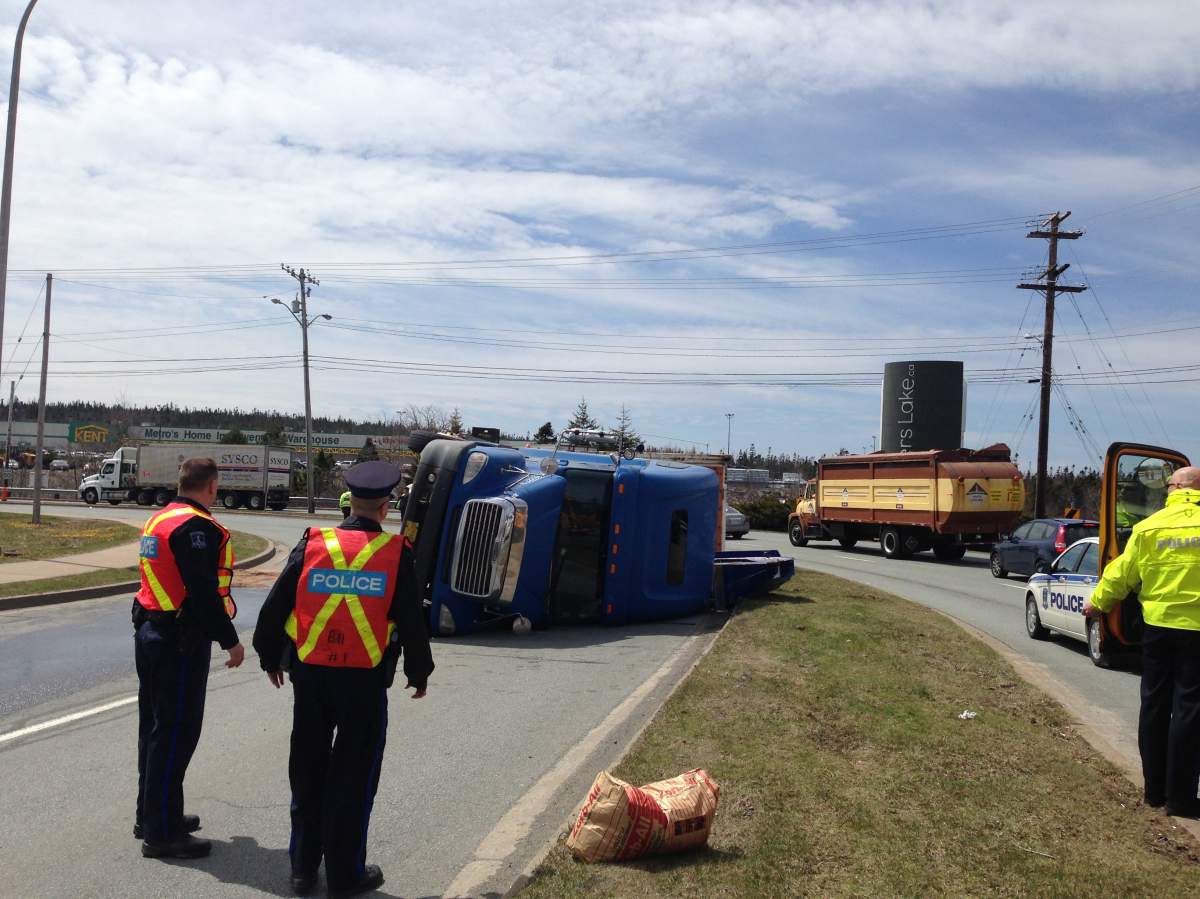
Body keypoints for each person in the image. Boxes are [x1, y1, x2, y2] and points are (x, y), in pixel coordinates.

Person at [253, 460, 434, 897]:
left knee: (308, 771)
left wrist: (269, 656)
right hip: (364, 684)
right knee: (353, 778)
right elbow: (411, 620)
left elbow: (275, 607)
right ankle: (344, 875)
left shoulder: (313, 543)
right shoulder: (395, 554)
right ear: (386, 506)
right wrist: (418, 671)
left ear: (349, 501)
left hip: (311, 678)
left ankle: (301, 870)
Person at [133, 457, 244, 859]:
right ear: (212, 486)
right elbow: (203, 592)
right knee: (176, 734)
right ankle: (162, 835)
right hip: (178, 640)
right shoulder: (196, 527)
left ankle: (154, 815)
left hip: (151, 631)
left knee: (155, 730)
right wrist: (231, 641)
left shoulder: (159, 518)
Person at [1084, 466, 1200, 818]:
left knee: (1153, 705)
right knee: (1189, 711)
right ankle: (1180, 798)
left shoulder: (1150, 527)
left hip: (1158, 629)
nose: (1165, 491)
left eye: (1168, 485)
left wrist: (1098, 603)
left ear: (1177, 487)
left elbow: (1121, 573)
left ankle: (1154, 791)